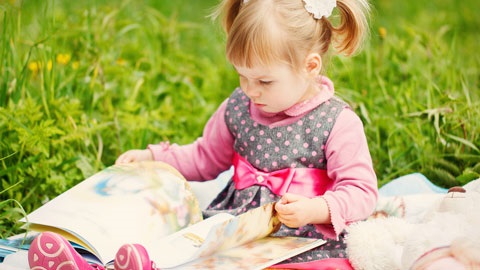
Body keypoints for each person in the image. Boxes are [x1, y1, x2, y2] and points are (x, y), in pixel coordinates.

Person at [28, 0, 378, 269]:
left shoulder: (335, 123)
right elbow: (204, 158)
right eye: (242, 75)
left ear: (310, 66)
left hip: (302, 240)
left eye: (264, 81)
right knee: (179, 246)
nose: (250, 90)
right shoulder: (240, 107)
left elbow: (362, 192)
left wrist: (316, 208)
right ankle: (92, 262)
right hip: (236, 232)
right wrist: (154, 158)